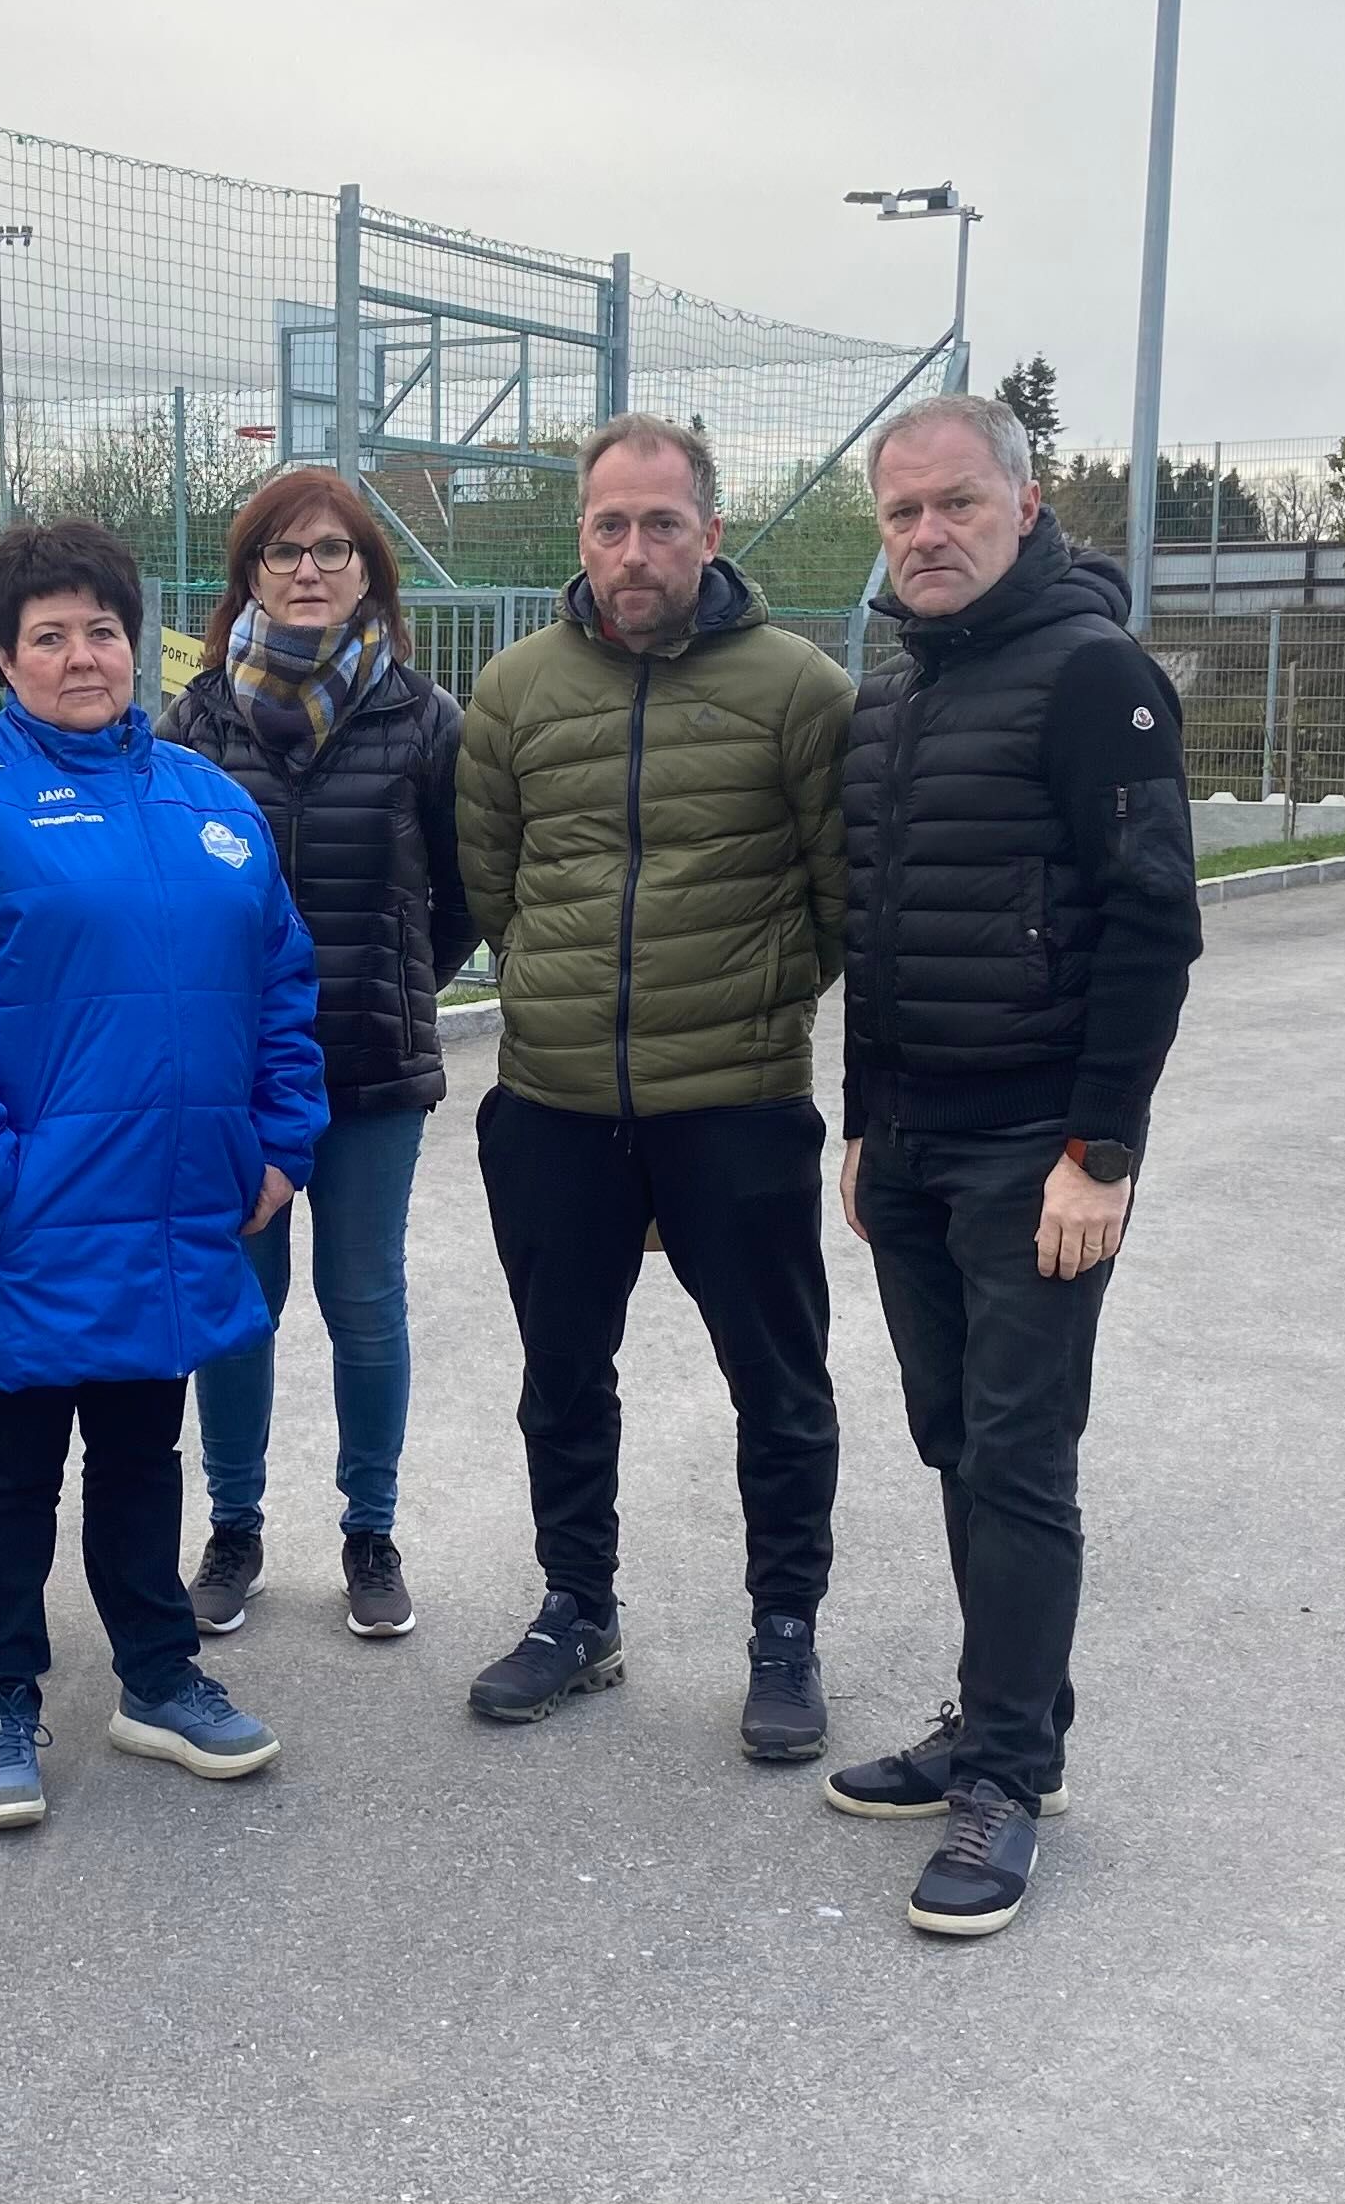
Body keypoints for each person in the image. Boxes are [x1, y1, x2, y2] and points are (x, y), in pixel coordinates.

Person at [0, 520, 327, 1833]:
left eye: (101, 629)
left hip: (176, 1205)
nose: (81, 655)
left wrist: (282, 1139)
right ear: (2, 657)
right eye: (47, 635)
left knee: (140, 1445)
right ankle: (0, 1695)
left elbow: (281, 981)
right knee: (9, 1457)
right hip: (30, 1207)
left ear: (137, 641)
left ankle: (158, 1677)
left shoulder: (207, 802)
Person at [821, 395, 1200, 1941]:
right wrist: (859, 1121)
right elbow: (878, 934)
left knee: (1020, 1455)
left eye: (957, 506)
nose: (927, 534)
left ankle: (1012, 1772)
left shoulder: (1094, 675)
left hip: (1036, 1148)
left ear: (1026, 508)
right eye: (903, 513)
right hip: (909, 1143)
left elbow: (1155, 923)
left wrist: (1101, 1152)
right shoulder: (897, 695)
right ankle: (991, 1716)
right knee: (950, 1441)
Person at [453, 412, 854, 1761]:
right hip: (556, 1100)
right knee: (563, 1371)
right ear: (582, 536)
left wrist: (753, 992)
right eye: (610, 526)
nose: (634, 551)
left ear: (711, 532)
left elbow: (839, 893)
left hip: (736, 1097)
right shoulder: (514, 690)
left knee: (778, 1379)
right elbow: (496, 881)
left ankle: (785, 1630)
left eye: (661, 523)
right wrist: (572, 998)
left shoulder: (799, 688)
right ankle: (579, 1609)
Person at [161, 467, 473, 1642]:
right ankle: (233, 1526)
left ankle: (369, 1529)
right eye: (284, 552)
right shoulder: (192, 725)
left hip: (370, 1064)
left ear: (366, 576)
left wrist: (399, 976)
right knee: (241, 1300)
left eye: (332, 552)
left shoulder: (423, 719)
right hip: (229, 1080)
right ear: (248, 572)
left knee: (362, 1298)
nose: (307, 571)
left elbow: (461, 892)